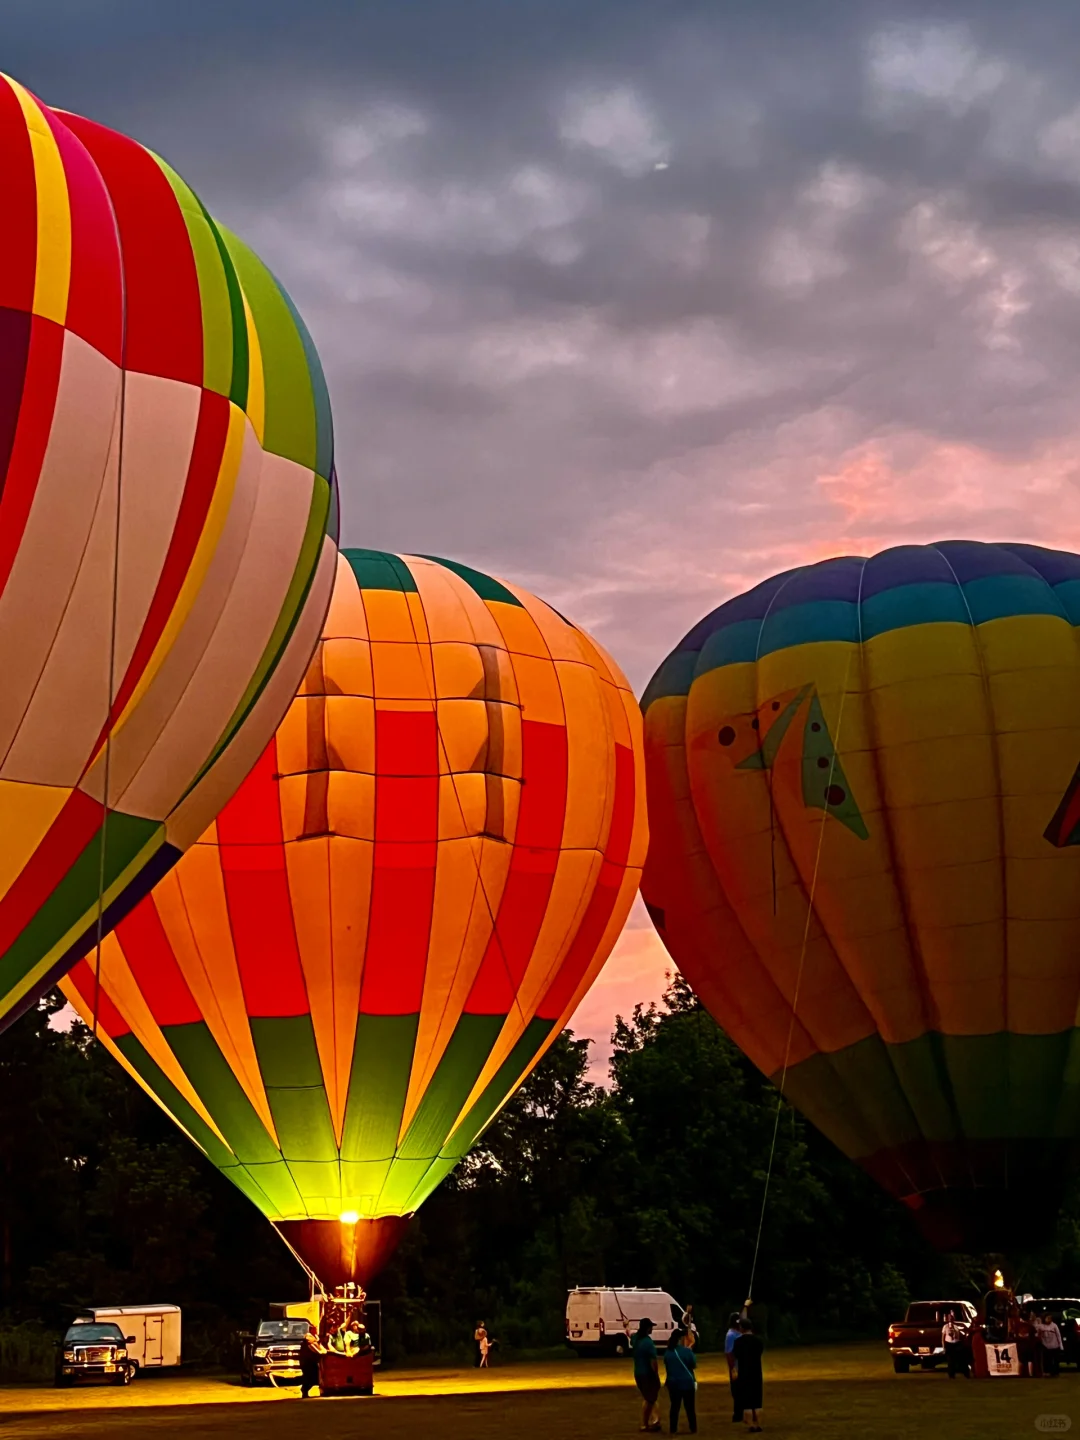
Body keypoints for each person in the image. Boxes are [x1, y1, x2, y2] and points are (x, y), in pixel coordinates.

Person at [732, 1318, 764, 1433]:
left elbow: (736, 1355)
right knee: (757, 1400)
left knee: (747, 1401)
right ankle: (758, 1423)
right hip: (756, 1372)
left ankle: (750, 1424)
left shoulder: (738, 1342)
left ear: (742, 1328)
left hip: (744, 1372)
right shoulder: (758, 1341)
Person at [663, 1330, 697, 1435]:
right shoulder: (686, 1352)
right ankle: (693, 1427)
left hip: (673, 1383)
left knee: (674, 1406)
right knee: (690, 1407)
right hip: (686, 1382)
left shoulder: (668, 1352)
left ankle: (673, 1428)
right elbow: (693, 1364)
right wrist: (690, 1347)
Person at [631, 1317, 661, 1433]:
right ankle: (644, 1423)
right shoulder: (648, 1342)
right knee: (650, 1399)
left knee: (650, 1397)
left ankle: (655, 1420)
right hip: (648, 1374)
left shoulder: (636, 1339)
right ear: (647, 1328)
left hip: (638, 1372)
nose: (652, 1329)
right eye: (651, 1327)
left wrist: (626, 1326)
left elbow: (630, 1335)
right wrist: (656, 1374)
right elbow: (653, 1362)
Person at [725, 1312, 743, 1423]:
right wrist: (733, 1369)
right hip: (736, 1367)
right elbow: (729, 1353)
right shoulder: (731, 1335)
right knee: (736, 1391)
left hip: (742, 1366)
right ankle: (738, 1414)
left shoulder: (739, 1333)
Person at [299, 1322, 324, 1400]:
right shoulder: (308, 1336)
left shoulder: (315, 1336)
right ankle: (304, 1391)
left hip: (313, 1361)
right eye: (314, 1328)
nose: (315, 1330)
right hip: (307, 1361)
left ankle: (306, 1390)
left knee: (315, 1377)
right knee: (308, 1377)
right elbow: (312, 1343)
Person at [942, 1310, 969, 1379]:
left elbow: (960, 1335)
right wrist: (944, 1346)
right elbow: (943, 1337)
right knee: (950, 1360)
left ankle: (966, 1373)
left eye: (952, 1318)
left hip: (956, 1343)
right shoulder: (945, 1327)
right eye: (949, 1318)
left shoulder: (956, 1326)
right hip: (949, 1344)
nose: (951, 1319)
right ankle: (951, 1375)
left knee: (961, 1359)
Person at [1036, 1312, 1064, 1377]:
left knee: (1055, 1360)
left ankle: (1056, 1372)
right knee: (1047, 1360)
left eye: (1050, 1318)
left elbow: (1058, 1335)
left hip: (1055, 1345)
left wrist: (1061, 1345)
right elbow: (1037, 1334)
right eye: (1048, 1318)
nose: (1049, 1319)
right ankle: (1047, 1372)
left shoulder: (1054, 1326)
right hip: (1045, 1345)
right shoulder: (1041, 1326)